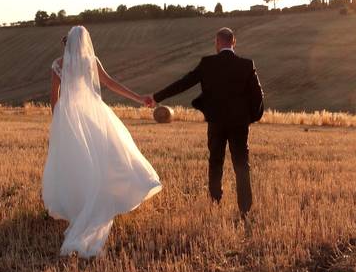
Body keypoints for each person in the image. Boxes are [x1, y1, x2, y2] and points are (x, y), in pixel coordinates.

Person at [42, 26, 160, 257]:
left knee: (74, 162)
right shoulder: (91, 61)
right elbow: (111, 83)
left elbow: (53, 95)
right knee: (108, 154)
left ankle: (80, 204)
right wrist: (139, 98)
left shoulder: (58, 64)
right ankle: (106, 194)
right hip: (93, 113)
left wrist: (57, 120)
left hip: (70, 116)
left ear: (68, 43)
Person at [150, 27, 264, 219]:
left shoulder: (207, 63)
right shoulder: (246, 65)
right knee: (241, 164)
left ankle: (215, 200)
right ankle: (245, 208)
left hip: (216, 122)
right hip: (239, 124)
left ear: (217, 43)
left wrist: (156, 97)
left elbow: (183, 83)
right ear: (233, 42)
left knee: (215, 161)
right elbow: (258, 96)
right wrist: (251, 117)